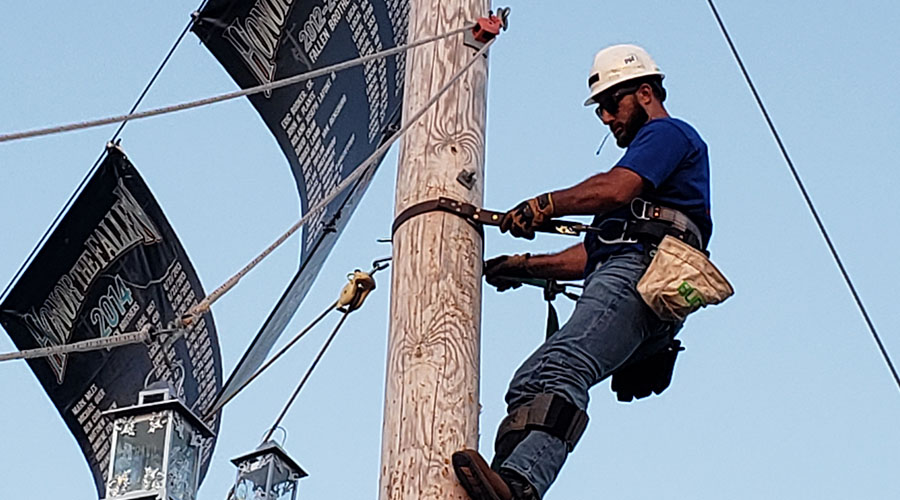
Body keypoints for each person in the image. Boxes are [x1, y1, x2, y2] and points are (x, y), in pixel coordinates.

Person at [451, 44, 713, 500]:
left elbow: (615, 188)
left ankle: (521, 484)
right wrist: (522, 267)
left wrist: (545, 203)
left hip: (641, 274)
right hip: (635, 279)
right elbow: (591, 256)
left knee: (562, 367)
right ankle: (505, 482)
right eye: (601, 112)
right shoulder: (639, 208)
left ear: (645, 93)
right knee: (532, 380)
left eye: (612, 104)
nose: (608, 118)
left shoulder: (668, 135)